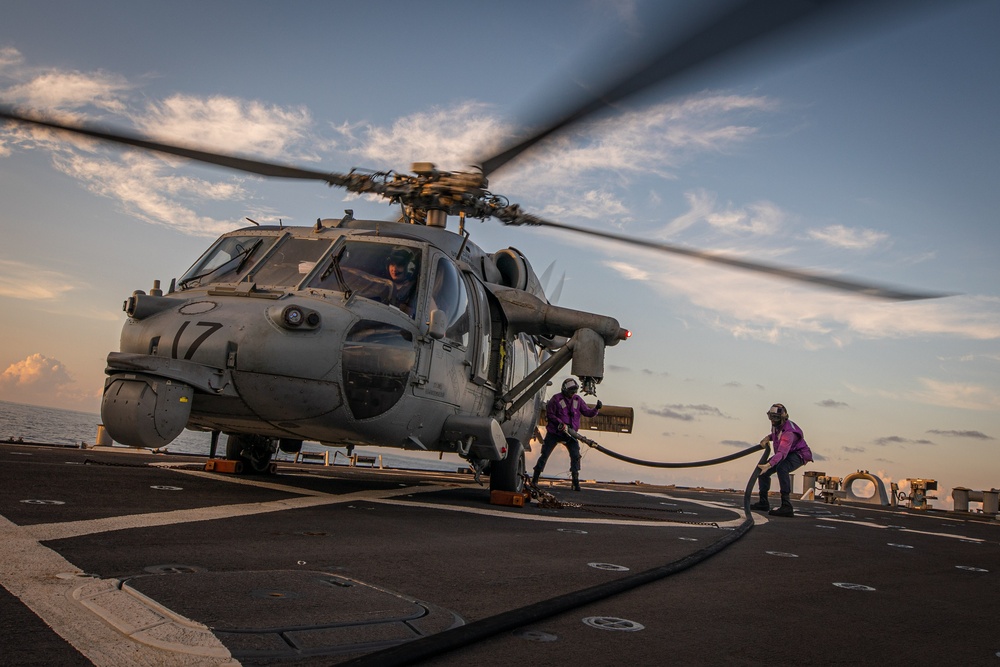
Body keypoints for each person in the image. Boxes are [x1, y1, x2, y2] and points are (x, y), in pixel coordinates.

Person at [531, 378, 601, 491]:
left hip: (571, 434)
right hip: (555, 433)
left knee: (575, 455)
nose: (573, 394)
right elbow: (550, 415)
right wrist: (560, 423)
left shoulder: (577, 400)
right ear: (564, 390)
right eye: (571, 391)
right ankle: (535, 479)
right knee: (544, 455)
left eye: (574, 391)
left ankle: (575, 482)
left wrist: (596, 409)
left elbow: (587, 412)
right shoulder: (556, 399)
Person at [751, 403, 813, 517]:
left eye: (776, 418)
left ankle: (787, 505)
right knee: (763, 472)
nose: (773, 420)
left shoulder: (789, 433)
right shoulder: (777, 426)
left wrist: (769, 464)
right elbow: (776, 434)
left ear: (783, 418)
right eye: (771, 417)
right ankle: (763, 502)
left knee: (782, 468)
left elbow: (782, 453)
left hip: (798, 454)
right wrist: (768, 438)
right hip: (786, 452)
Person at [386, 247, 418, 316]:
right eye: (392, 264)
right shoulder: (383, 284)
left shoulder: (416, 290)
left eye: (399, 265)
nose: (394, 269)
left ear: (410, 267)